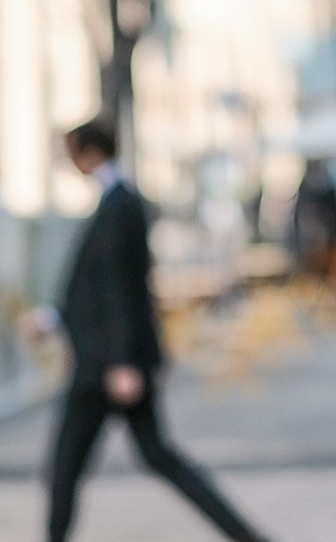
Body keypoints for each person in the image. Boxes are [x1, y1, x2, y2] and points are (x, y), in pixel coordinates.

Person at [26, 118, 271, 542]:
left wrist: (123, 362)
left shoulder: (121, 207)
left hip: (107, 367)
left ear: (88, 153)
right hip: (113, 362)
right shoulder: (113, 204)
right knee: (154, 457)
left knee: (69, 467)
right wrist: (53, 318)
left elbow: (124, 291)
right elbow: (96, 289)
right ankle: (244, 534)